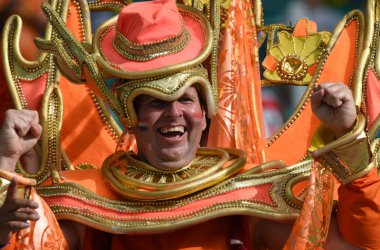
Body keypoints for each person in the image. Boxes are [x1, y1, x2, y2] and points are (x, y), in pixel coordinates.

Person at [0, 0, 379, 249]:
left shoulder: (252, 198)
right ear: (131, 118)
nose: (174, 113)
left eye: (185, 98)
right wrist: (4, 177)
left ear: (205, 112)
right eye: (154, 102)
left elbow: (359, 245)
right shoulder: (82, 198)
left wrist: (350, 146)